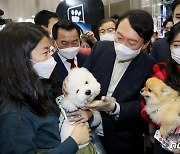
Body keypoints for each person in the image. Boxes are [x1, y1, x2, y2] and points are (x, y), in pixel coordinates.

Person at [0, 22, 90, 153]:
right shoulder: (14, 115)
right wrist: (73, 141)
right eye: (45, 52)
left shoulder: (41, 87)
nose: (51, 58)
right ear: (21, 59)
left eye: (50, 51)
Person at [83, 9, 156, 154]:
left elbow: (144, 105)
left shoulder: (150, 66)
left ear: (146, 43)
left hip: (123, 140)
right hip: (89, 132)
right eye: (119, 37)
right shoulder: (100, 48)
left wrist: (114, 107)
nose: (123, 46)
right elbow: (83, 79)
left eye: (132, 42)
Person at [142, 21, 180, 154]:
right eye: (176, 45)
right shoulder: (160, 70)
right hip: (165, 142)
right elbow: (146, 107)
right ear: (169, 46)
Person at [52, 19, 88, 89]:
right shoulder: (50, 65)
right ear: (54, 42)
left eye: (74, 42)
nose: (70, 47)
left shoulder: (88, 60)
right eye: (64, 43)